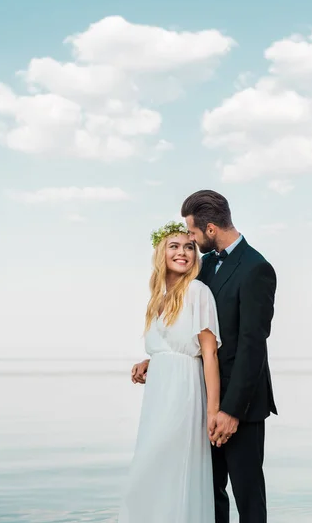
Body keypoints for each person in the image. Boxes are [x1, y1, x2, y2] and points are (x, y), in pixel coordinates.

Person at [132, 190, 277, 523]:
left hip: (241, 406)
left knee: (248, 496)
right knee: (209, 496)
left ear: (210, 228)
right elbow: (195, 332)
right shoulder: (204, 266)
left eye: (193, 233)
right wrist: (159, 361)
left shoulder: (257, 269)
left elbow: (253, 345)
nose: (191, 242)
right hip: (198, 402)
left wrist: (230, 411)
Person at [118, 221, 222, 523]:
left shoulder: (198, 291)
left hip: (184, 394)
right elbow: (168, 345)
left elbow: (209, 353)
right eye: (174, 246)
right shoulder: (158, 299)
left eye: (189, 247)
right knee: (153, 471)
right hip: (158, 395)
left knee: (169, 467)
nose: (183, 252)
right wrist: (149, 361)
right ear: (161, 254)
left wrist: (213, 411)